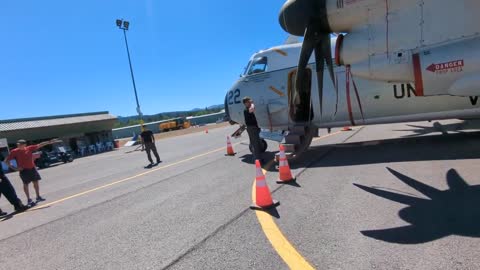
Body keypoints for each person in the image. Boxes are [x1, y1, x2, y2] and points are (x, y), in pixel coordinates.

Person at [5, 139, 58, 206]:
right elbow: (6, 161)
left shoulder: (29, 148)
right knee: (26, 184)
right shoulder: (14, 151)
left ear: (24, 145)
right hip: (24, 170)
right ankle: (29, 199)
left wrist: (49, 142)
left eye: (20, 144)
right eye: (18, 144)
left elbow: (40, 144)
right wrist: (15, 168)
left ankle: (38, 197)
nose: (18, 145)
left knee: (36, 182)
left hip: (32, 168)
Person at [243, 97, 264, 163]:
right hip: (251, 128)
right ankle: (258, 160)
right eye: (249, 102)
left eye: (250, 102)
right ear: (245, 103)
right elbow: (252, 109)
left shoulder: (248, 109)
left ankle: (257, 158)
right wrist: (252, 103)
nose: (250, 103)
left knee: (256, 143)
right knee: (255, 144)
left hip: (254, 127)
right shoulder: (246, 110)